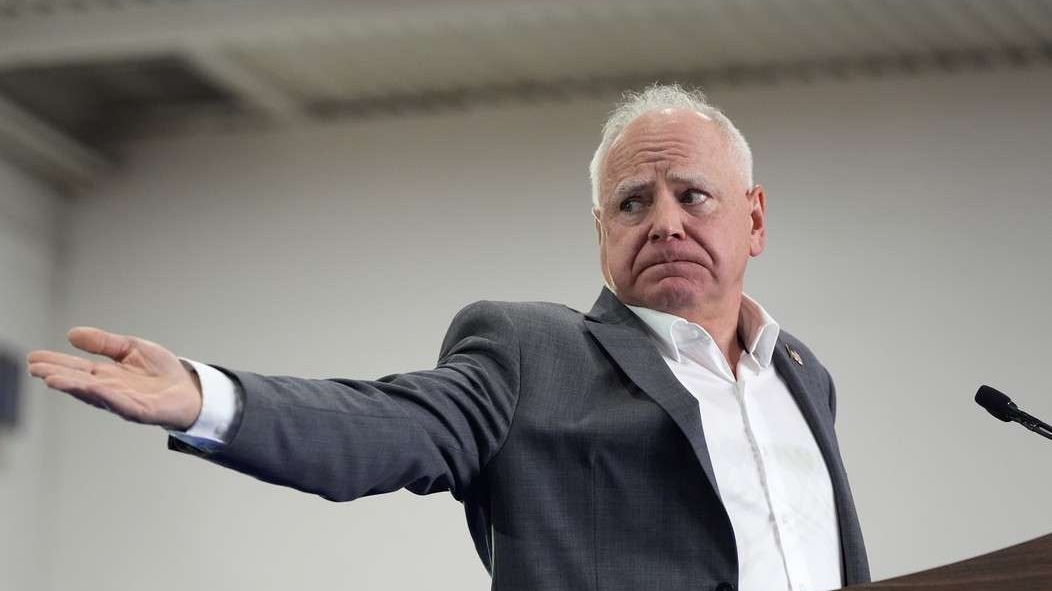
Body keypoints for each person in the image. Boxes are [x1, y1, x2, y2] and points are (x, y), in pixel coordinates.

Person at [26, 84, 869, 591]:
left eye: (694, 195)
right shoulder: (533, 352)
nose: (665, 223)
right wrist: (213, 399)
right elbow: (384, 424)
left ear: (754, 219)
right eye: (633, 203)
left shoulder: (801, 375)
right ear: (600, 232)